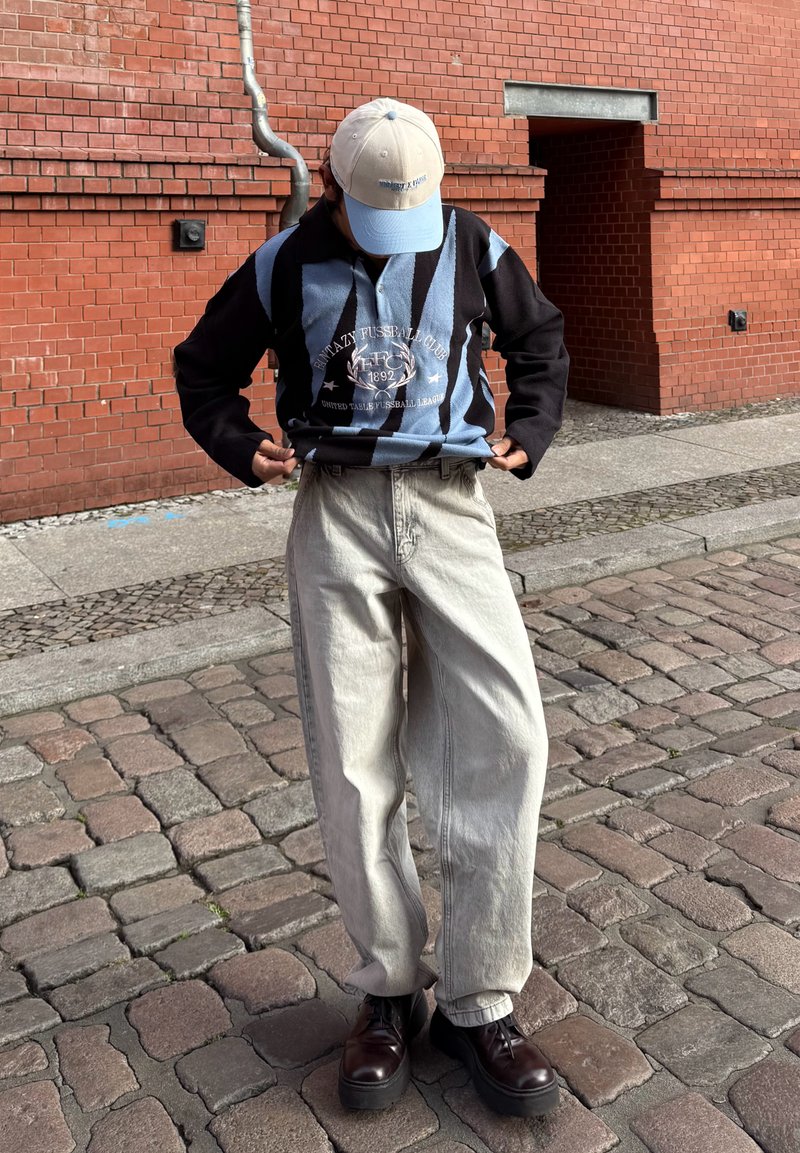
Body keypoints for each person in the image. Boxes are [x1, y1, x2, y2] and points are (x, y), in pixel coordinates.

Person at [174, 97, 569, 1118]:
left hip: (450, 504)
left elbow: (540, 341)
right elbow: (201, 367)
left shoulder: (473, 244)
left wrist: (530, 424)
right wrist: (234, 440)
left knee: (507, 735)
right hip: (336, 509)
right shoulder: (279, 265)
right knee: (350, 753)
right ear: (336, 188)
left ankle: (482, 1002)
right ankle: (389, 992)